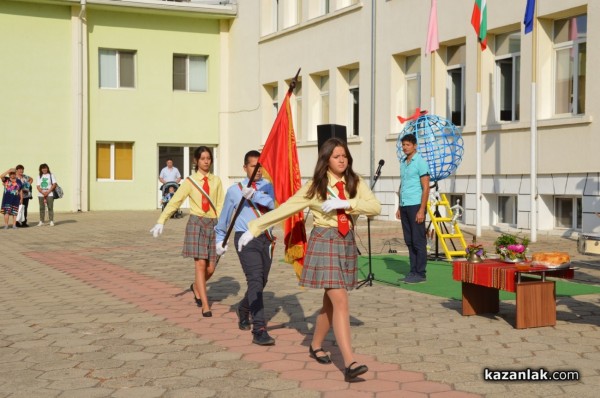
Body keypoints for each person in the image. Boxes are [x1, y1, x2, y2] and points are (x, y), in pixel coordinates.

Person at [236, 138, 381, 382]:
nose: (342, 160)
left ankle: (315, 344)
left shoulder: (355, 182)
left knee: (330, 303)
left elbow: (374, 206)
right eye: (336, 156)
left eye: (344, 155)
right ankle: (349, 362)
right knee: (341, 300)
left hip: (345, 243)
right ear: (326, 160)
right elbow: (287, 208)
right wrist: (255, 227)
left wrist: (348, 203)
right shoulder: (315, 186)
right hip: (325, 241)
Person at [150, 147, 224, 317]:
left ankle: (196, 287)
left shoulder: (217, 181)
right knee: (200, 264)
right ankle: (206, 304)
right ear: (196, 161)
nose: (206, 161)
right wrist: (162, 220)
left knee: (211, 269)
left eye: (208, 158)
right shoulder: (190, 182)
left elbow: (221, 203)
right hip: (196, 224)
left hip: (213, 225)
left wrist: (221, 226)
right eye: (202, 158)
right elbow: (175, 202)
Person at [215, 150, 276, 346]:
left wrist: (256, 195)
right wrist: (219, 240)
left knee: (261, 282)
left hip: (265, 238)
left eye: (260, 167)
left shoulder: (268, 186)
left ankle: (243, 308)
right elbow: (224, 218)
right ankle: (259, 328)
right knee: (255, 279)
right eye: (253, 166)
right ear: (245, 167)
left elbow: (275, 206)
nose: (258, 170)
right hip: (245, 239)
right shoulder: (235, 190)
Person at [396, 134, 430, 283]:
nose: (405, 147)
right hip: (405, 205)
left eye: (408, 145)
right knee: (409, 240)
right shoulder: (403, 163)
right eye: (403, 145)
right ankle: (413, 271)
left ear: (415, 146)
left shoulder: (420, 162)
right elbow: (402, 185)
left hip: (416, 205)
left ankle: (420, 273)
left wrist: (422, 209)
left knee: (418, 240)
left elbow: (426, 187)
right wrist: (399, 206)